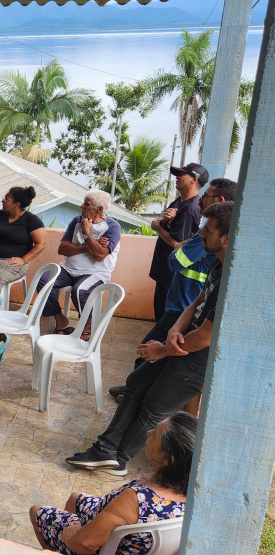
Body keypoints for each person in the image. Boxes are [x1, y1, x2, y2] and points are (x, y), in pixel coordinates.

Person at [66, 202, 232, 476]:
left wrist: (163, 350)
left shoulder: (232, 279)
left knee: (153, 407)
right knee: (136, 383)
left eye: (209, 230)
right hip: (182, 340)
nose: (201, 234)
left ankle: (119, 459)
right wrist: (174, 329)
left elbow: (204, 337)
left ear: (226, 237)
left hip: (199, 358)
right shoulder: (218, 262)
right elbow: (197, 301)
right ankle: (105, 448)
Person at [109, 178, 236, 403]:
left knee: (149, 349)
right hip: (183, 303)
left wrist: (171, 238)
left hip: (183, 305)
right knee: (154, 351)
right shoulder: (206, 233)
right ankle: (134, 392)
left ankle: (134, 395)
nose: (201, 199)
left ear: (221, 200)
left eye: (206, 195)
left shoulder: (211, 235)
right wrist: (181, 242)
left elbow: (175, 261)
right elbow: (181, 247)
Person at [31, 412, 195, 555]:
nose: (148, 433)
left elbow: (85, 544)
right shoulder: (190, 489)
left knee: (38, 511)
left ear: (168, 459)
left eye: (155, 435)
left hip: (107, 549)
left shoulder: (138, 499)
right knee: (75, 498)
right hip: (137, 544)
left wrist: (71, 537)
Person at [36, 190, 121, 339]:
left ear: (99, 208)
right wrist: (89, 244)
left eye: (86, 204)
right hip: (68, 269)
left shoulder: (112, 227)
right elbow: (62, 249)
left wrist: (87, 234)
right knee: (43, 280)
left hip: (95, 272)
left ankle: (88, 324)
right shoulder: (77, 220)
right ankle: (60, 319)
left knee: (80, 290)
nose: (81, 206)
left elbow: (100, 256)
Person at [148, 163, 207, 321]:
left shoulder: (189, 208)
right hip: (164, 272)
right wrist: (164, 222)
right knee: (160, 315)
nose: (177, 177)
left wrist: (158, 228)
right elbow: (167, 226)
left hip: (171, 275)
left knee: (164, 319)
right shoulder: (179, 202)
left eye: (182, 174)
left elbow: (178, 244)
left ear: (193, 180)